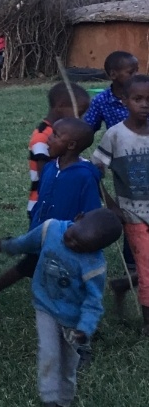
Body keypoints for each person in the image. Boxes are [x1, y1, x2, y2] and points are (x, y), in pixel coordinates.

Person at [0, 84, 93, 315]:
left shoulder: (62, 133)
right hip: (44, 208)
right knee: (36, 259)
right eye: (78, 110)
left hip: (59, 208)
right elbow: (48, 174)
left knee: (43, 259)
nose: (82, 117)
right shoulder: (44, 137)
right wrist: (82, 166)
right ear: (60, 107)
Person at [0, 209, 122, 407]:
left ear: (98, 249)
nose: (72, 244)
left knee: (68, 365)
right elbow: (25, 243)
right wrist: (6, 246)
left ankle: (64, 400)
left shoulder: (94, 265)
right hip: (45, 305)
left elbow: (93, 303)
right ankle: (49, 399)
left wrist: (84, 330)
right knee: (49, 352)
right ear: (78, 218)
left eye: (81, 247)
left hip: (72, 319)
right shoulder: (51, 229)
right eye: (73, 237)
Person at [92, 74, 149, 333]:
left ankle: (122, 285)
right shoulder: (115, 136)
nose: (145, 104)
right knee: (147, 270)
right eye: (138, 99)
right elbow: (95, 172)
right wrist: (111, 204)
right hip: (134, 215)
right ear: (124, 101)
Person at [83, 51, 138, 132]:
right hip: (118, 143)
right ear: (113, 74)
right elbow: (88, 128)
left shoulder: (145, 94)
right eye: (131, 72)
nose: (136, 75)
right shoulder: (102, 100)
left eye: (137, 71)